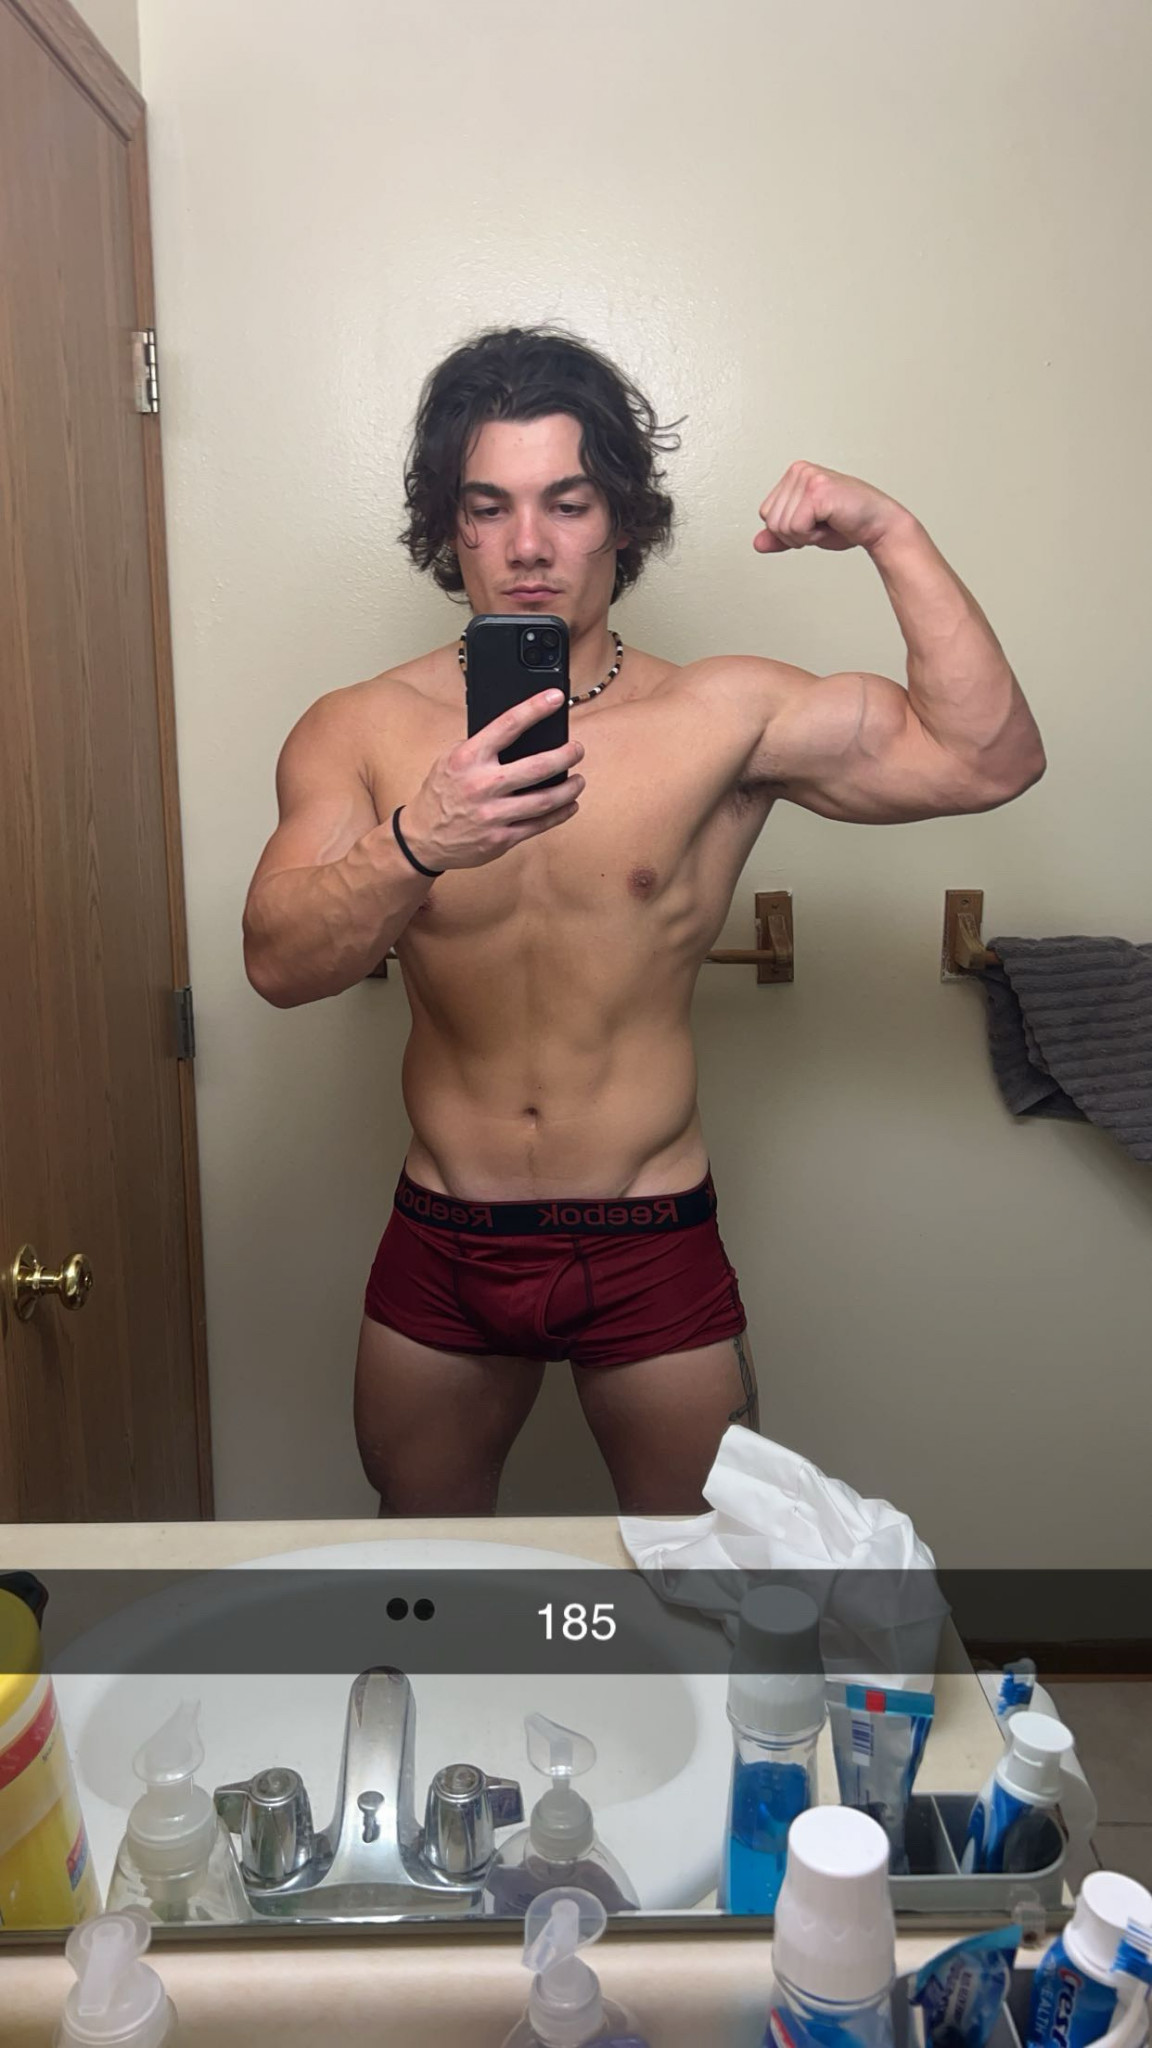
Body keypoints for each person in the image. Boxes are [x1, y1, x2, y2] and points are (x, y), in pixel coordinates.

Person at [243, 324, 1045, 1518]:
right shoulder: (358, 728)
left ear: (621, 517)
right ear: (451, 525)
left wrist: (891, 532)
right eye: (489, 507)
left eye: (566, 503)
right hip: (448, 1228)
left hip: (646, 1228)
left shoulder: (719, 716)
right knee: (430, 1564)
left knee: (707, 1578)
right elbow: (276, 960)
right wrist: (419, 841)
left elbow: (989, 758)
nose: (528, 544)